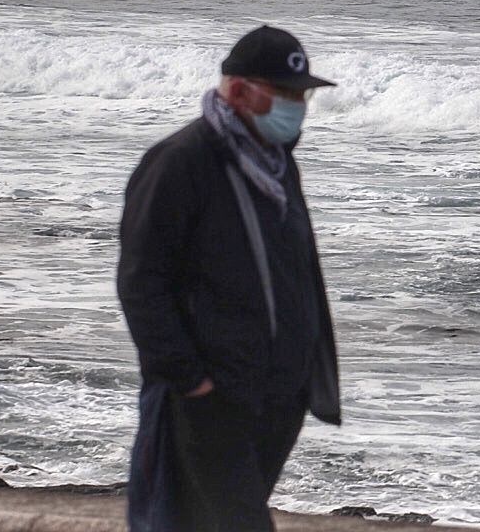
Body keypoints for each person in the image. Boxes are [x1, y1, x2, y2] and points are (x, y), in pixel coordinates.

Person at [118, 26, 342, 531]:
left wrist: (304, 375)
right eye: (286, 94)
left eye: (302, 94)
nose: (298, 106)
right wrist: (190, 380)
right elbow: (141, 283)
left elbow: (296, 268)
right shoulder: (180, 162)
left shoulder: (277, 162)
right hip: (210, 398)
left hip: (277, 397)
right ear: (240, 91)